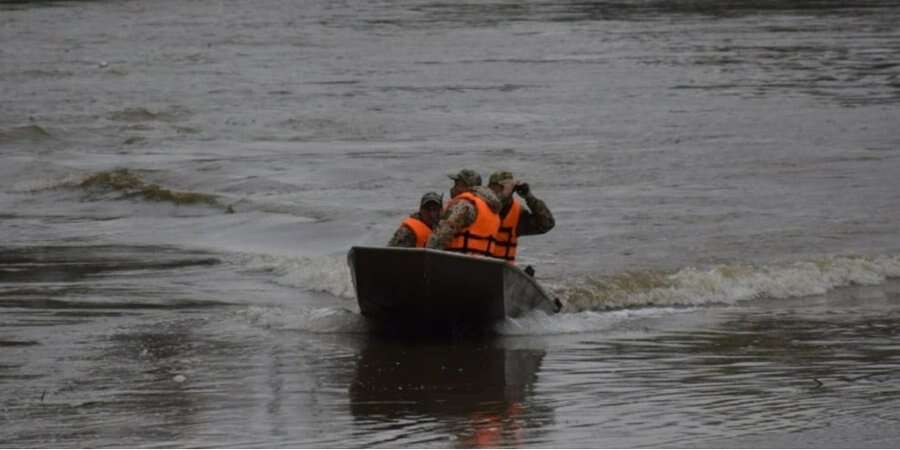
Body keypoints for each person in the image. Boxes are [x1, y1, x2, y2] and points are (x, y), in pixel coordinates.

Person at [425, 169, 502, 256]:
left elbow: (442, 235)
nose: (453, 188)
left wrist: (427, 254)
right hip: (484, 264)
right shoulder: (492, 208)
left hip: (459, 262)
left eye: (457, 184)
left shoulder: (464, 204)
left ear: (466, 186)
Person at [486, 171, 555, 263]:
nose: (499, 190)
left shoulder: (517, 213)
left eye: (504, 187)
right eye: (497, 187)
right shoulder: (480, 206)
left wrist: (529, 197)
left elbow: (546, 224)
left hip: (501, 268)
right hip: (477, 261)